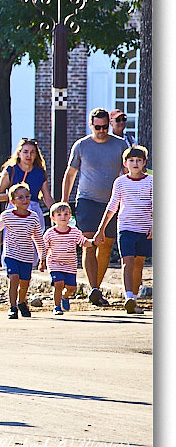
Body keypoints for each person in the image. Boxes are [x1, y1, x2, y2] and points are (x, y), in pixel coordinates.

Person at [60, 107, 128, 307]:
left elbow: (126, 171)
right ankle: (94, 288)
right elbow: (70, 174)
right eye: (97, 127)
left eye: (105, 127)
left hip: (111, 202)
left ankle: (95, 288)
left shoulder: (119, 145)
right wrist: (65, 201)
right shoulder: (81, 146)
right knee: (89, 242)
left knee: (106, 244)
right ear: (91, 126)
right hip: (87, 200)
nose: (101, 131)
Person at [93, 146, 152, 315]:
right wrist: (101, 229)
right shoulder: (120, 182)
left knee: (139, 263)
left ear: (144, 163)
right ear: (125, 163)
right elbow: (113, 205)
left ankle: (135, 298)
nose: (135, 163)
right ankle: (129, 298)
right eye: (131, 160)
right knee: (128, 261)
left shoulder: (151, 181)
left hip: (145, 228)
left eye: (138, 160)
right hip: (126, 227)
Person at [0, 183, 47, 319]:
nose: (25, 200)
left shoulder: (33, 217)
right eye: (20, 197)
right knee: (14, 278)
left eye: (27, 197)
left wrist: (42, 258)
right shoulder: (8, 215)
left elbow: (38, 238)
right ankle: (13, 306)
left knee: (25, 282)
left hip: (27, 256)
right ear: (12, 201)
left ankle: (21, 301)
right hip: (11, 254)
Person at [40, 202, 93, 315]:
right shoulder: (50, 233)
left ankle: (64, 296)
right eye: (59, 214)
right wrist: (42, 260)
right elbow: (43, 247)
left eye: (66, 214)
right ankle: (57, 306)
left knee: (71, 287)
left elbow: (83, 242)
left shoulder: (74, 232)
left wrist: (94, 242)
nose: (63, 217)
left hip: (70, 265)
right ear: (53, 218)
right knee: (58, 283)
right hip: (55, 263)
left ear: (70, 216)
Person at [0, 138, 54, 237]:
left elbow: (47, 198)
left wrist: (57, 212)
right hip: (15, 211)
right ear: (19, 154)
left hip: (33, 211)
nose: (29, 155)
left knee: (34, 245)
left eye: (32, 152)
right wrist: (17, 197)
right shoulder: (11, 170)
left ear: (36, 155)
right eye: (25, 152)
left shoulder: (40, 172)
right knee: (14, 243)